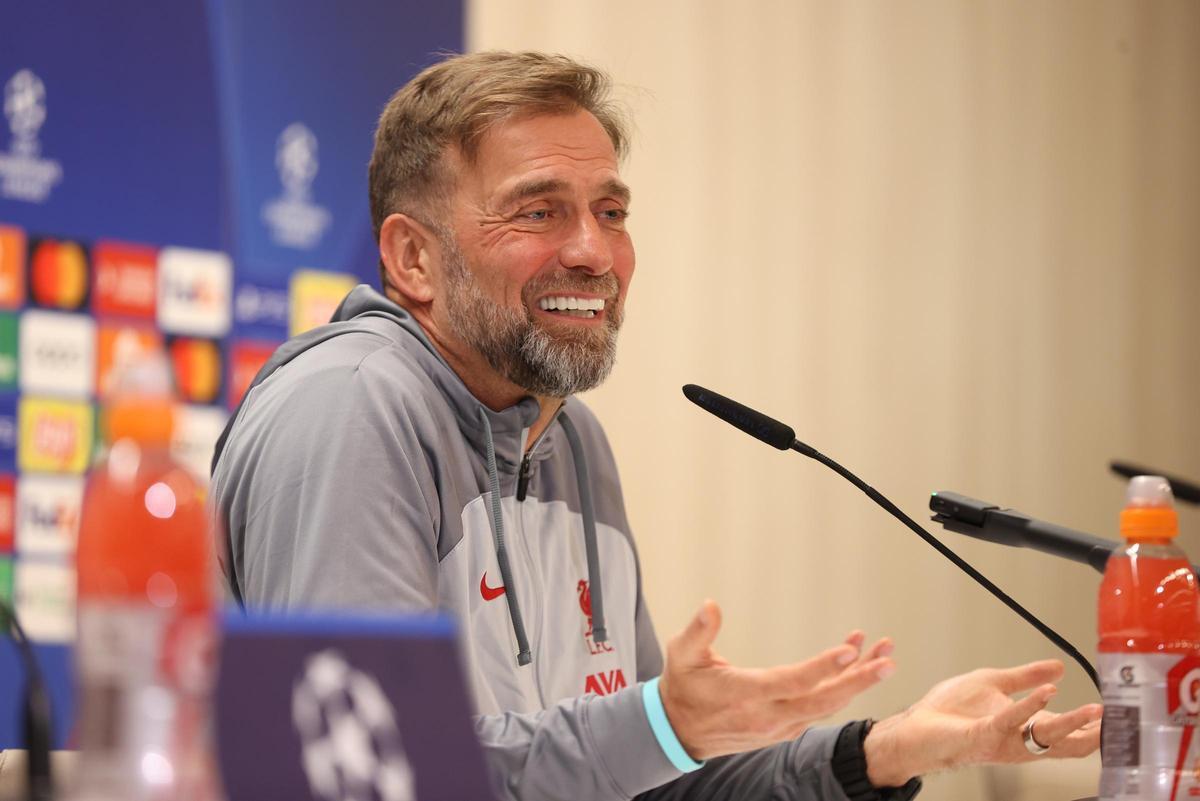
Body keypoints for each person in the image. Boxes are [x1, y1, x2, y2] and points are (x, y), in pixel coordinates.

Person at [210, 51, 1102, 800]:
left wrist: (877, 752)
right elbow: (367, 779)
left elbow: (635, 779)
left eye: (611, 211)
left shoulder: (569, 440)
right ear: (414, 257)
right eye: (538, 210)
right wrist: (659, 725)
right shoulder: (349, 408)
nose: (594, 252)